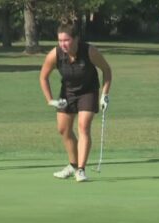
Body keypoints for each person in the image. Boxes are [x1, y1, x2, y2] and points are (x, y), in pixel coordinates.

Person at [40, 22, 112, 182]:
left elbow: (107, 70)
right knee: (63, 130)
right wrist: (50, 100)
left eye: (66, 40)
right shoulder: (55, 54)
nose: (63, 44)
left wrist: (105, 94)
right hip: (67, 93)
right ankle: (72, 165)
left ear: (76, 39)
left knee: (83, 127)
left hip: (88, 91)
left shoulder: (89, 51)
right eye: (60, 40)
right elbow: (43, 77)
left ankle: (81, 169)